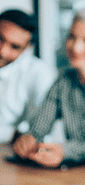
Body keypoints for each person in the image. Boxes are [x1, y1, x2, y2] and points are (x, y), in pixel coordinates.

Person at [13, 7, 85, 167]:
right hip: (72, 173)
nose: (76, 47)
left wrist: (65, 151)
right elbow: (39, 126)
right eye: (71, 37)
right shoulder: (63, 80)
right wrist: (29, 139)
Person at [0, 9, 56, 143]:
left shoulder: (38, 74)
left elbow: (37, 132)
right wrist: (12, 133)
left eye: (14, 47)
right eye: (0, 39)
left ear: (27, 48)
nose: (2, 51)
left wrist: (17, 135)